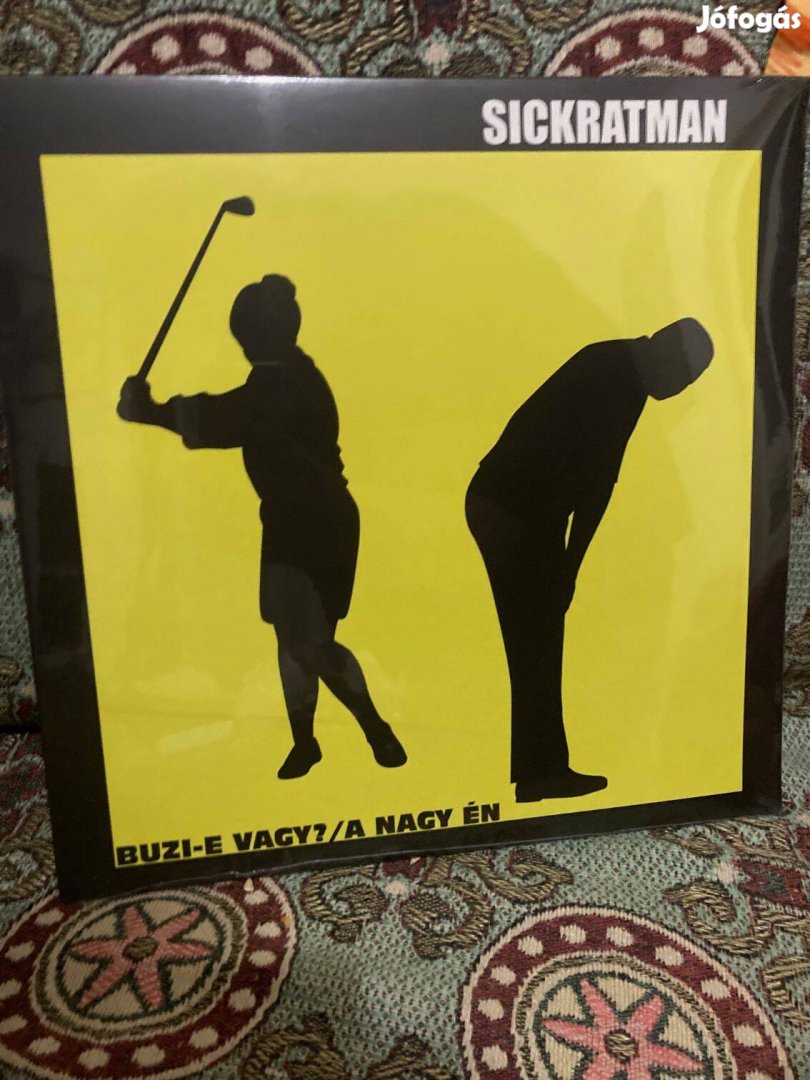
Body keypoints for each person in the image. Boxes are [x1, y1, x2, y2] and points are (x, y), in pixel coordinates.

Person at [117, 274, 406, 779]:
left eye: (246, 333)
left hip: (317, 522)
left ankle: (373, 726)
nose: (244, 344)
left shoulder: (285, 384)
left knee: (309, 643)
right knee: (292, 640)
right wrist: (153, 411)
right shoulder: (285, 374)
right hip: (293, 521)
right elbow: (228, 412)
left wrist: (151, 411)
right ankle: (306, 742)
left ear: (262, 333)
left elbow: (224, 417)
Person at [465, 318, 714, 803]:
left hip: (514, 506)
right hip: (514, 508)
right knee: (536, 639)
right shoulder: (619, 377)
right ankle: (541, 773)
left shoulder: (619, 366)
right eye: (684, 376)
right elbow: (598, 486)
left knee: (535, 639)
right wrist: (569, 570)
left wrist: (566, 570)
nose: (680, 390)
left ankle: (539, 772)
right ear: (665, 352)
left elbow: (594, 481)